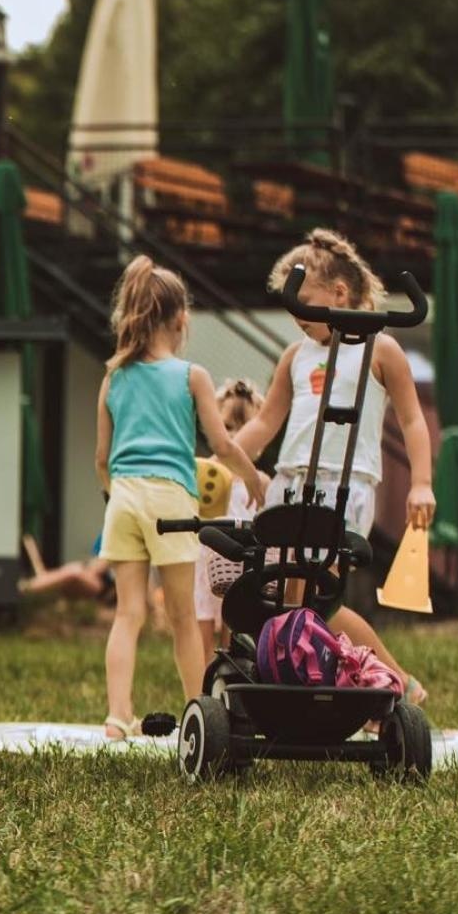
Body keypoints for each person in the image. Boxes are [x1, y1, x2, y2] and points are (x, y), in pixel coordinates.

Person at [234, 229, 433, 704]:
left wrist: (421, 483)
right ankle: (312, 683)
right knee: (284, 597)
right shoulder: (295, 357)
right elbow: (265, 422)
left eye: (303, 301)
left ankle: (395, 681)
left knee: (319, 599)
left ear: (339, 295)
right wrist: (225, 458)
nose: (297, 316)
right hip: (290, 484)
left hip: (345, 488)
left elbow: (412, 421)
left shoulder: (380, 350)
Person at [96, 256, 263, 741]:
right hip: (170, 499)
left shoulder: (113, 378)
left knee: (128, 614)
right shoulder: (191, 376)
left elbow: (101, 458)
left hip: (123, 497)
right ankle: (201, 712)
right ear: (180, 319)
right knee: (183, 618)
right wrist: (251, 477)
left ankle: (116, 716)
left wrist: (119, 496)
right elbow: (222, 446)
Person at [193, 379, 268, 660]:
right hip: (204, 560)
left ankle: (228, 668)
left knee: (232, 619)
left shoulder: (259, 482)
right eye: (226, 427)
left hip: (238, 561)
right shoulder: (207, 475)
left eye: (243, 428)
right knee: (201, 619)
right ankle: (200, 676)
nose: (234, 436)